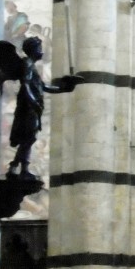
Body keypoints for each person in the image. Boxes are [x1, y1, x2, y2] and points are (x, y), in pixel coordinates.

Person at [8, 37, 81, 179]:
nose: (41, 51)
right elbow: (26, 84)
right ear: (32, 49)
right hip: (28, 107)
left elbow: (44, 87)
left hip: (34, 108)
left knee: (29, 138)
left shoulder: (32, 66)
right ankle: (18, 167)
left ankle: (17, 167)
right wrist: (33, 101)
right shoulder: (27, 63)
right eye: (39, 48)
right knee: (29, 138)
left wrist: (65, 88)